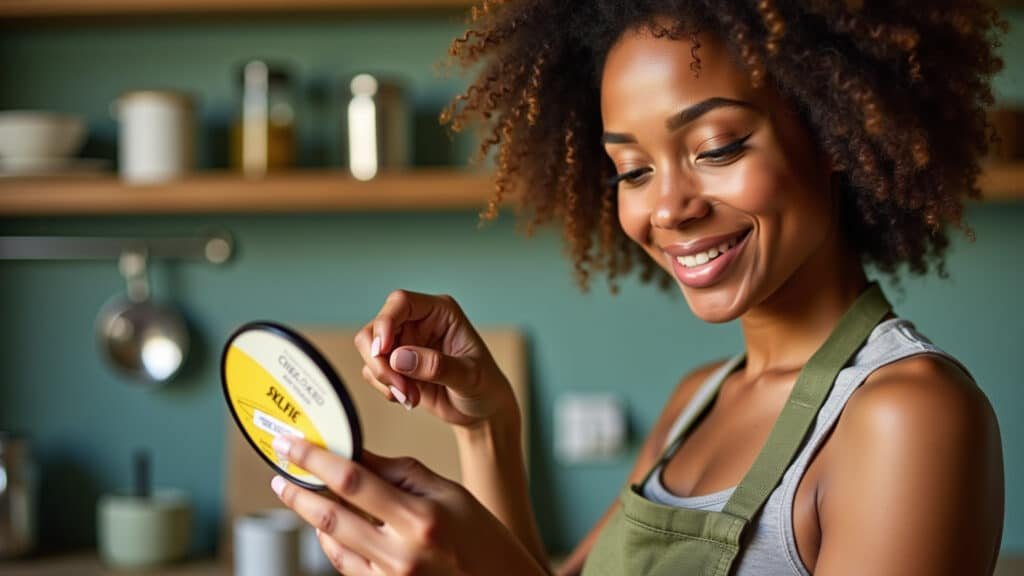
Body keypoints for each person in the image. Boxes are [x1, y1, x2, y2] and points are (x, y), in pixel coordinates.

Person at [269, 1, 1007, 574]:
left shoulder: (909, 415)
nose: (667, 207)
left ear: (834, 134)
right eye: (632, 170)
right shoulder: (697, 401)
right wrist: (486, 425)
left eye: (717, 148)